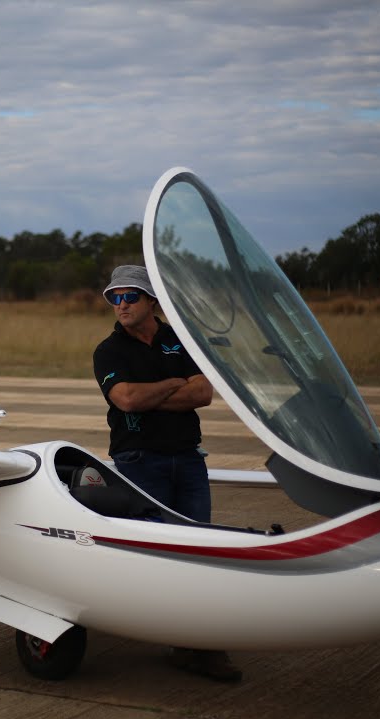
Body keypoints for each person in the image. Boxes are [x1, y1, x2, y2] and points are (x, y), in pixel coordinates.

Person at [91, 264, 243, 683]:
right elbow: (124, 399)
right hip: (139, 462)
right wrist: (174, 385)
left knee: (200, 554)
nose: (120, 305)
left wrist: (151, 394)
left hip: (189, 459)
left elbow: (204, 393)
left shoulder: (180, 338)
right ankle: (166, 632)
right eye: (114, 298)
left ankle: (202, 648)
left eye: (129, 296)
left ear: (151, 301)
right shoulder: (109, 350)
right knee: (157, 555)